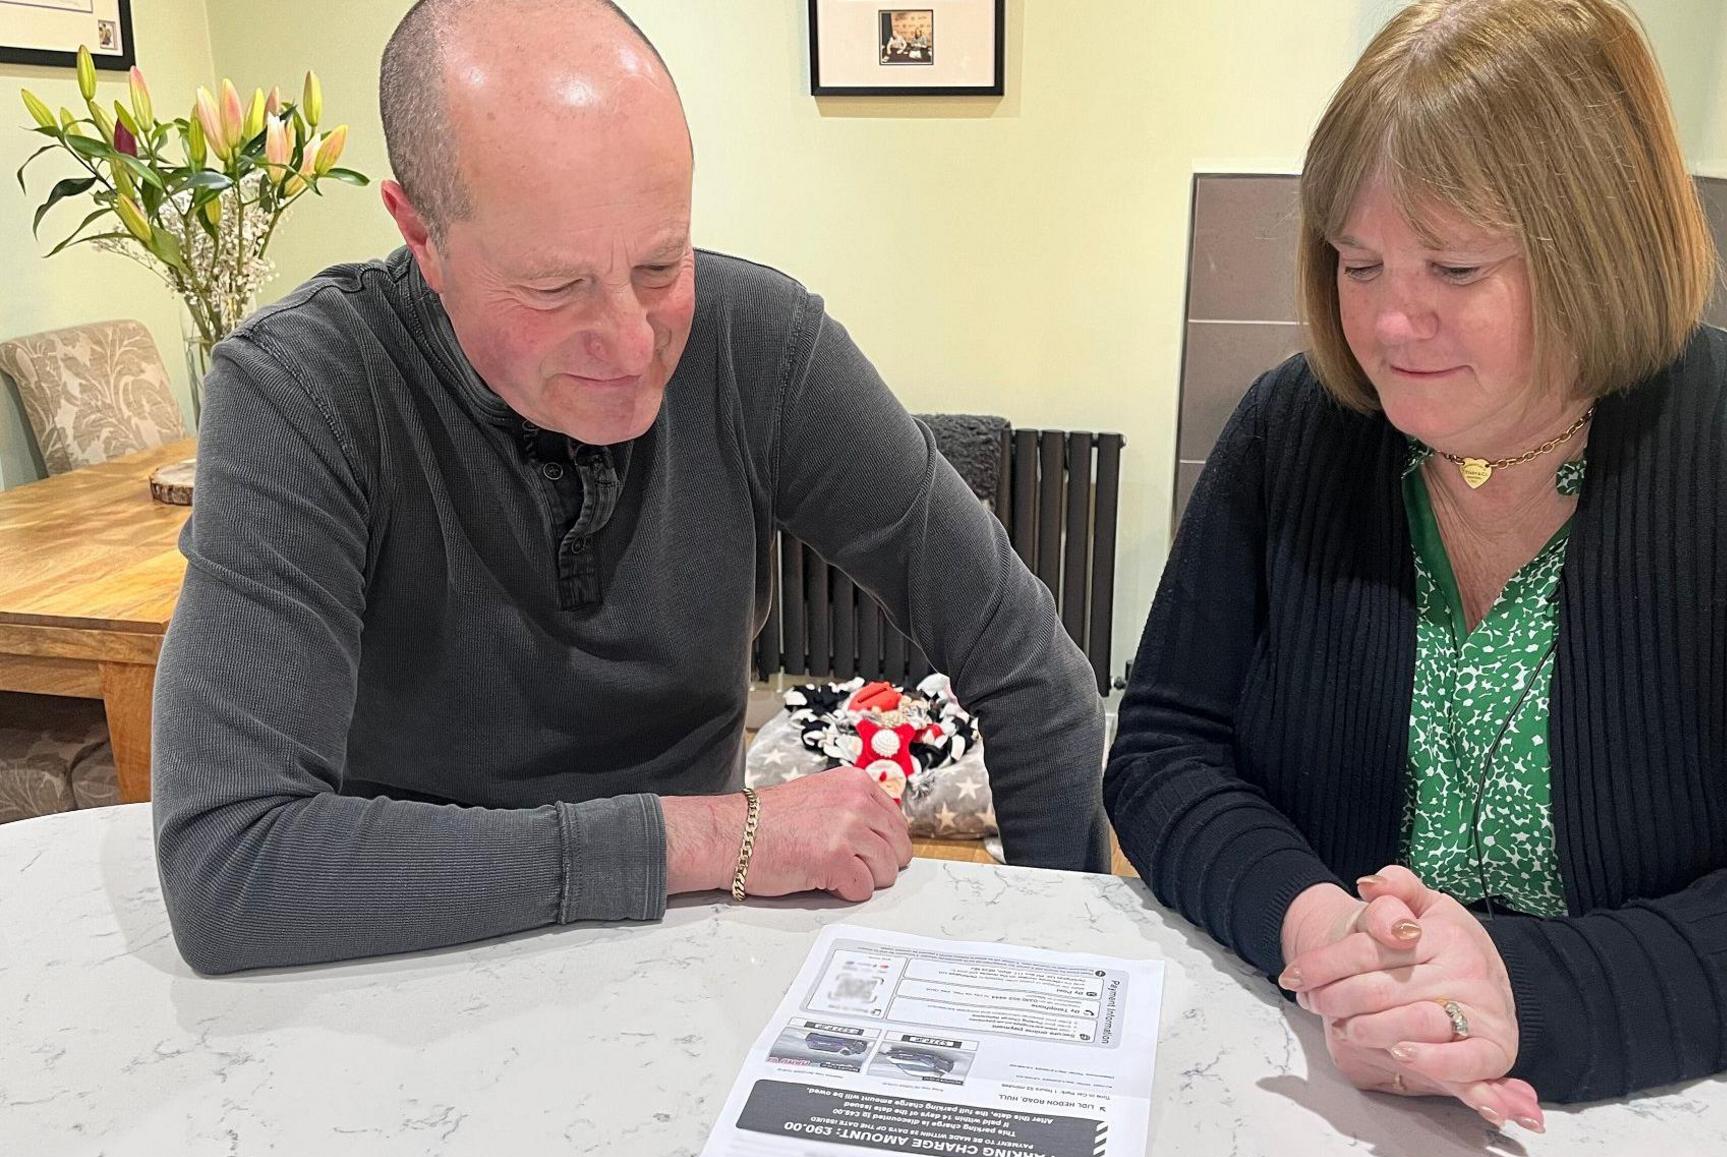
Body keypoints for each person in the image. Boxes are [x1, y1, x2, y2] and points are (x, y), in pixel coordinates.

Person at [152, 0, 1108, 975]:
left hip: (691, 972)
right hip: (404, 968)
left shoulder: (757, 345)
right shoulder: (303, 392)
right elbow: (230, 864)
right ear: (422, 235)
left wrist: (1064, 983)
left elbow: (1035, 674)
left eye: (661, 263)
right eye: (556, 287)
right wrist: (703, 837)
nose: (632, 342)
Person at [1105, 0, 1727, 1128]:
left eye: (1454, 265)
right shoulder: (1289, 430)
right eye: (1358, 261)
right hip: (1315, 1092)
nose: (1390, 324)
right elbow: (1160, 752)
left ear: (1602, 247)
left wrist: (1518, 991)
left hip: (1668, 1125)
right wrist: (1320, 929)